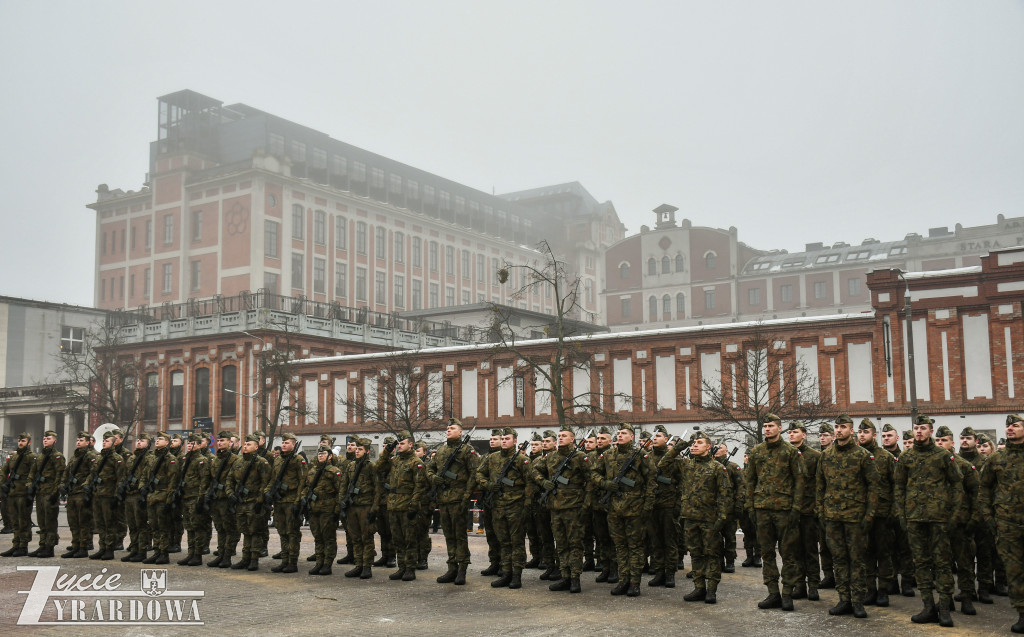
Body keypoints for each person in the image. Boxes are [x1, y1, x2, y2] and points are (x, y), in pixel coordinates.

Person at [894, 414, 964, 627]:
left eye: (923, 428)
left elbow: (957, 485)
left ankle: (944, 608)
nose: (919, 432)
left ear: (931, 431)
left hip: (938, 518)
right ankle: (927, 606)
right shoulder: (906, 457)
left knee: (942, 563)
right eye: (916, 428)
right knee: (921, 563)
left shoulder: (943, 456)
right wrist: (901, 514)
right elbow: (898, 487)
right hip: (914, 518)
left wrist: (953, 515)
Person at [816, 414, 879, 618]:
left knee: (857, 560)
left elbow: (873, 488)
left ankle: (858, 601)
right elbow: (820, 487)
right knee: (839, 560)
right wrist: (821, 513)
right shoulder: (826, 456)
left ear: (851, 431)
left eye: (843, 427)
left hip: (855, 518)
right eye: (837, 427)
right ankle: (844, 599)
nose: (839, 430)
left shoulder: (862, 455)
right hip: (832, 517)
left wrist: (869, 516)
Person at [745, 413, 803, 611]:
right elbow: (750, 480)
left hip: (785, 510)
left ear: (780, 428)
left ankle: (787, 593)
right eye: (765, 426)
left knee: (788, 554)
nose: (767, 429)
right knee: (767, 553)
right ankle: (772, 593)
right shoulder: (757, 452)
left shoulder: (790, 452)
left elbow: (799, 482)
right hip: (762, 509)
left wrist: (796, 508)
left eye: (771, 426)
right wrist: (750, 506)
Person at [593, 423, 655, 597]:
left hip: (634, 508)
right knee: (620, 546)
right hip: (614, 508)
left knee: (635, 546)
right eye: (618, 433)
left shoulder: (641, 455)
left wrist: (647, 506)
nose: (619, 436)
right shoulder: (608, 454)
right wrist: (605, 484)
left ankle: (635, 582)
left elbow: (651, 481)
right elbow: (593, 473)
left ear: (632, 437)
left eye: (623, 433)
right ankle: (623, 580)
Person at [671, 432, 732, 604]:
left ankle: (711, 590)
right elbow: (664, 463)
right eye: (693, 443)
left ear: (708, 447)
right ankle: (699, 588)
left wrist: (722, 518)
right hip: (690, 517)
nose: (694, 445)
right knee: (696, 554)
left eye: (699, 442)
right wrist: (679, 447)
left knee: (712, 554)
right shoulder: (686, 465)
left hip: (709, 519)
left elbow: (724, 495)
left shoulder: (717, 468)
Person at [978, 414, 1024, 634]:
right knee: (1014, 571)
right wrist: (988, 517)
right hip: (1007, 524)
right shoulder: (997, 458)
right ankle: (1022, 613)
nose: (1010, 429)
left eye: (1015, 425)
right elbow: (984, 488)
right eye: (1008, 426)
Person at [533, 424, 591, 594]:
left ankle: (575, 578)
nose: (560, 438)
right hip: (555, 508)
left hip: (574, 508)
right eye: (559, 436)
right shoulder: (551, 457)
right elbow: (534, 469)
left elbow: (590, 481)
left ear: (572, 439)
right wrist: (543, 482)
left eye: (564, 436)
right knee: (562, 544)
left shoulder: (580, 457)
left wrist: (586, 504)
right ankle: (565, 576)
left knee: (575, 544)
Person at [476, 427, 531, 589]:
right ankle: (506, 573)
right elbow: (479, 474)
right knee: (503, 542)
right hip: (497, 507)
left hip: (516, 507)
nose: (505, 441)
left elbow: (530, 483)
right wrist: (488, 485)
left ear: (514, 441)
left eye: (508, 439)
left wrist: (526, 505)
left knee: (517, 542)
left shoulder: (521, 460)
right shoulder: (492, 458)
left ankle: (516, 575)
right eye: (503, 438)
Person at [935, 425, 981, 616]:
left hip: (961, 523)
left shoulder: (963, 465)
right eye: (937, 441)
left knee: (964, 563)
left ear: (952, 443)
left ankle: (967, 598)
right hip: (939, 522)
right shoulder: (933, 465)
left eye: (944, 440)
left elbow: (976, 495)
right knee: (941, 563)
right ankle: (945, 599)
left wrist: (973, 520)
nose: (940, 444)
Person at [429, 418, 477, 585]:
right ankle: (452, 567)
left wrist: (466, 496)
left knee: (460, 535)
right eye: (447, 428)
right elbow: (430, 468)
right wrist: (434, 477)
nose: (448, 430)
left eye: (452, 428)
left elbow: (473, 475)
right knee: (449, 534)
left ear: (460, 432)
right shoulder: (441, 451)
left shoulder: (466, 450)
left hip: (458, 498)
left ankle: (462, 568)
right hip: (444, 498)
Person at [855, 418, 896, 607]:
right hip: (860, 514)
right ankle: (870, 589)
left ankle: (883, 590)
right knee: (866, 553)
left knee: (884, 552)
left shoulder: (885, 457)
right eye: (860, 432)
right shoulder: (856, 456)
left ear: (874, 434)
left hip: (882, 513)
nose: (862, 435)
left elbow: (896, 486)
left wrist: (893, 512)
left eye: (866, 432)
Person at [378, 430, 427, 581]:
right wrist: (387, 451)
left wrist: (413, 506)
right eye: (398, 443)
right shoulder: (395, 461)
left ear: (410, 444)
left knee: (409, 540)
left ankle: (410, 568)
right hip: (393, 505)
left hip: (407, 506)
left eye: (402, 443)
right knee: (397, 539)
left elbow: (420, 486)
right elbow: (379, 467)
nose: (399, 446)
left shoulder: (416, 463)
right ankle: (402, 567)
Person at [959, 426, 995, 604]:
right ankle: (967, 589)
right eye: (962, 438)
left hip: (982, 514)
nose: (965, 441)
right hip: (963, 514)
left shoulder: (985, 462)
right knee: (964, 555)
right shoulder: (954, 461)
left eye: (968, 438)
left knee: (984, 553)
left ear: (976, 441)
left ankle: (984, 588)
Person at [787, 421, 821, 601]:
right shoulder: (785, 454)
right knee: (794, 550)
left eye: (795, 432)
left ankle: (813, 585)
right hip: (790, 511)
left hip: (808, 510)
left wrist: (817, 507)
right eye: (790, 432)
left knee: (810, 550)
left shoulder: (814, 456)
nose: (791, 435)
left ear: (804, 435)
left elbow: (819, 483)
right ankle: (799, 584)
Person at [230, 434, 272, 571]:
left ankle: (254, 559)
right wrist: (231, 494)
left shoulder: (261, 462)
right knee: (245, 531)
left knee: (255, 532)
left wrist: (260, 500)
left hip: (254, 502)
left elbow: (266, 482)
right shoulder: (238, 461)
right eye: (245, 444)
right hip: (241, 502)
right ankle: (245, 558)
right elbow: (229, 480)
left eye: (249, 445)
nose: (246, 446)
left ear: (256, 446)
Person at [268, 432, 308, 573]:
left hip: (291, 501)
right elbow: (273, 479)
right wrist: (268, 492)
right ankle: (284, 560)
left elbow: (303, 481)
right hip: (279, 501)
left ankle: (292, 562)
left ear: (293, 444)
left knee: (292, 532)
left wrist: (298, 501)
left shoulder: (298, 460)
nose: (284, 445)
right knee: (282, 531)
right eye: (283, 443)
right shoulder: (278, 460)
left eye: (287, 443)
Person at [647, 425, 681, 588]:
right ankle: (659, 571)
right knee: (656, 541)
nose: (655, 437)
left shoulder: (675, 459)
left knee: (670, 541)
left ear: (666, 439)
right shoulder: (646, 457)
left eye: (659, 435)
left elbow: (683, 483)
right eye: (654, 435)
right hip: (652, 505)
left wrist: (678, 505)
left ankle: (670, 573)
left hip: (668, 505)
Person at [339, 437, 377, 579]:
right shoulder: (351, 466)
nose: (357, 451)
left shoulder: (371, 467)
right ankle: (358, 564)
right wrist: (342, 502)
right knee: (355, 537)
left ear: (367, 451)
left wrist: (374, 508)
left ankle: (367, 566)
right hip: (352, 506)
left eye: (360, 449)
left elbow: (377, 488)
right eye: (357, 449)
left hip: (365, 506)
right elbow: (344, 485)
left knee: (366, 537)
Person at [87, 431, 127, 560]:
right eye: (103, 441)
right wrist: (87, 486)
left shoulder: (117, 459)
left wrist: (116, 496)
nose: (104, 442)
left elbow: (120, 479)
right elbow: (92, 474)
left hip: (109, 495)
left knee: (109, 523)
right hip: (98, 494)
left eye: (107, 441)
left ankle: (110, 549)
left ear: (114, 443)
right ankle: (102, 547)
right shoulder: (99, 458)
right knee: (99, 523)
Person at [141, 432, 180, 565]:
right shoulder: (151, 457)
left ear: (168, 442)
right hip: (151, 495)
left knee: (163, 527)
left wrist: (169, 499)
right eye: (157, 439)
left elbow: (173, 481)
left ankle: (164, 553)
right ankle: (157, 551)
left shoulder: (170, 459)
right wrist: (142, 487)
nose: (157, 441)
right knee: (153, 526)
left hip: (162, 496)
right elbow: (144, 475)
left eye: (161, 439)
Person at [304, 446, 343, 575]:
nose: (320, 456)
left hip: (328, 508)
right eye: (319, 454)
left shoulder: (334, 471)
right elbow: (307, 487)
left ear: (330, 456)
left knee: (328, 537)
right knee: (318, 537)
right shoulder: (312, 471)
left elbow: (340, 492)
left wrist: (337, 510)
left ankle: (327, 564)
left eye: (324, 454)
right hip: (314, 508)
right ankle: (319, 562)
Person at [27, 430, 66, 557]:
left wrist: (56, 492)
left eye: (48, 438)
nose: (45, 440)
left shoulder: (57, 456)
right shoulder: (40, 456)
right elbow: (32, 473)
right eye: (44, 438)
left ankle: (50, 547)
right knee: (41, 521)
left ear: (54, 440)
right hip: (40, 491)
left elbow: (60, 475)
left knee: (50, 521)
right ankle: (42, 545)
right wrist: (29, 486)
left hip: (50, 491)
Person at [60, 431, 98, 558]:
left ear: (88, 442)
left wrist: (86, 486)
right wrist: (63, 485)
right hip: (72, 492)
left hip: (82, 493)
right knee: (73, 521)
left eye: (81, 440)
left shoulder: (91, 456)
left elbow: (93, 473)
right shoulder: (74, 456)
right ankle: (75, 545)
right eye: (78, 440)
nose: (78, 442)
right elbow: (67, 472)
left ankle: (83, 547)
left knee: (84, 522)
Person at [176, 433, 211, 567]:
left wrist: (201, 499)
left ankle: (198, 555)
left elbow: (204, 481)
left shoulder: (201, 460)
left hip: (195, 498)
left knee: (198, 527)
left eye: (193, 444)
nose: (190, 446)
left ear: (198, 445)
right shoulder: (186, 459)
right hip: (186, 497)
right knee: (189, 527)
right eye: (188, 444)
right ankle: (190, 553)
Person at [206, 431, 240, 568]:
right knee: (220, 528)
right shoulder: (215, 459)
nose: (220, 443)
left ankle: (227, 556)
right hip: (216, 498)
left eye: (223, 441)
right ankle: (221, 554)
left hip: (226, 499)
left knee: (229, 528)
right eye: (219, 441)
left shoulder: (234, 459)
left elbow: (236, 480)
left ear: (229, 443)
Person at [0, 433, 37, 558]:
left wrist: (30, 489)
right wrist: (3, 485)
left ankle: (23, 546)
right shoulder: (14, 458)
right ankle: (16, 544)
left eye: (23, 441)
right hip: (12, 493)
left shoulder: (31, 457)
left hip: (23, 493)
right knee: (14, 521)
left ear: (29, 442)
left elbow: (34, 474)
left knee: (24, 521)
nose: (20, 443)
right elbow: (4, 471)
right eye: (19, 440)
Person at [119, 433, 152, 562]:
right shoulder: (132, 458)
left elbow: (147, 476)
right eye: (138, 440)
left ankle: (142, 551)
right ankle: (134, 549)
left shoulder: (149, 458)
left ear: (148, 443)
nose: (138, 442)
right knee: (132, 525)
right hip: (129, 495)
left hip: (139, 495)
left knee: (141, 525)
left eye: (142, 440)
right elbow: (125, 474)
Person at [714, 442, 743, 575]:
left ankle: (730, 561)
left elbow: (741, 487)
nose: (717, 450)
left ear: (726, 451)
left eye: (720, 447)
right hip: (715, 508)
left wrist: (738, 505)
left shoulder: (732, 467)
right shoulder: (712, 466)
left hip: (729, 508)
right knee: (716, 537)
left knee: (730, 537)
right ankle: (718, 561)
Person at [479, 429, 503, 576]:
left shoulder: (507, 457)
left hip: (502, 501)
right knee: (490, 534)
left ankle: (503, 564)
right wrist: (486, 484)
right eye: (491, 439)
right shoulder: (486, 457)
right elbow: (478, 474)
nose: (492, 441)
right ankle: (494, 562)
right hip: (488, 499)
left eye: (495, 439)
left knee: (501, 534)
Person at [816, 422, 835, 589]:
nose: (822, 438)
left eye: (825, 435)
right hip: (822, 506)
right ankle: (828, 575)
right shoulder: (818, 456)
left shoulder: (835, 455)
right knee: (824, 545)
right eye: (820, 436)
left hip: (837, 507)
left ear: (832, 437)